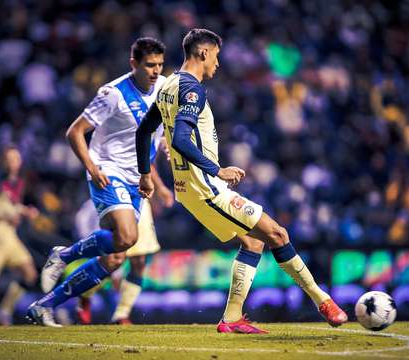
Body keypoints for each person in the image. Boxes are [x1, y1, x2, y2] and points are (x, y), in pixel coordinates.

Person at [136, 28, 348, 333]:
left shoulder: (168, 85)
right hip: (206, 187)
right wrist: (216, 170)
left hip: (191, 189)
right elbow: (181, 139)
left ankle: (232, 318)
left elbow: (144, 132)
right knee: (278, 234)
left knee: (253, 242)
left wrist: (146, 174)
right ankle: (324, 302)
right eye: (217, 56)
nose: (218, 64)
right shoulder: (192, 90)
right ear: (203, 53)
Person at [27, 37, 167, 327]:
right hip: (108, 170)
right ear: (134, 64)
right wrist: (92, 168)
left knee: (116, 258)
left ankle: (44, 305)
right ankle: (64, 254)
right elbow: (75, 132)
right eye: (149, 65)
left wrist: (165, 145)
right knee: (128, 238)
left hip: (136, 178)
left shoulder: (165, 89)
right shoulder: (112, 93)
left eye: (159, 65)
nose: (155, 71)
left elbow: (153, 134)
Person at [74, 150, 174, 325]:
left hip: (141, 198)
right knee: (113, 261)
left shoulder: (157, 131)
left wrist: (159, 188)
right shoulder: (132, 128)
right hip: (119, 194)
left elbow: (149, 161)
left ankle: (121, 314)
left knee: (140, 261)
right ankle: (85, 293)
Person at [0, 145, 39, 325]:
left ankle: (4, 311)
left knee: (29, 273)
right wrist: (5, 215)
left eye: (16, 158)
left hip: (11, 236)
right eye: (10, 159)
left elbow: (12, 206)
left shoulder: (18, 182)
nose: (14, 162)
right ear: (3, 161)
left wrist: (24, 211)